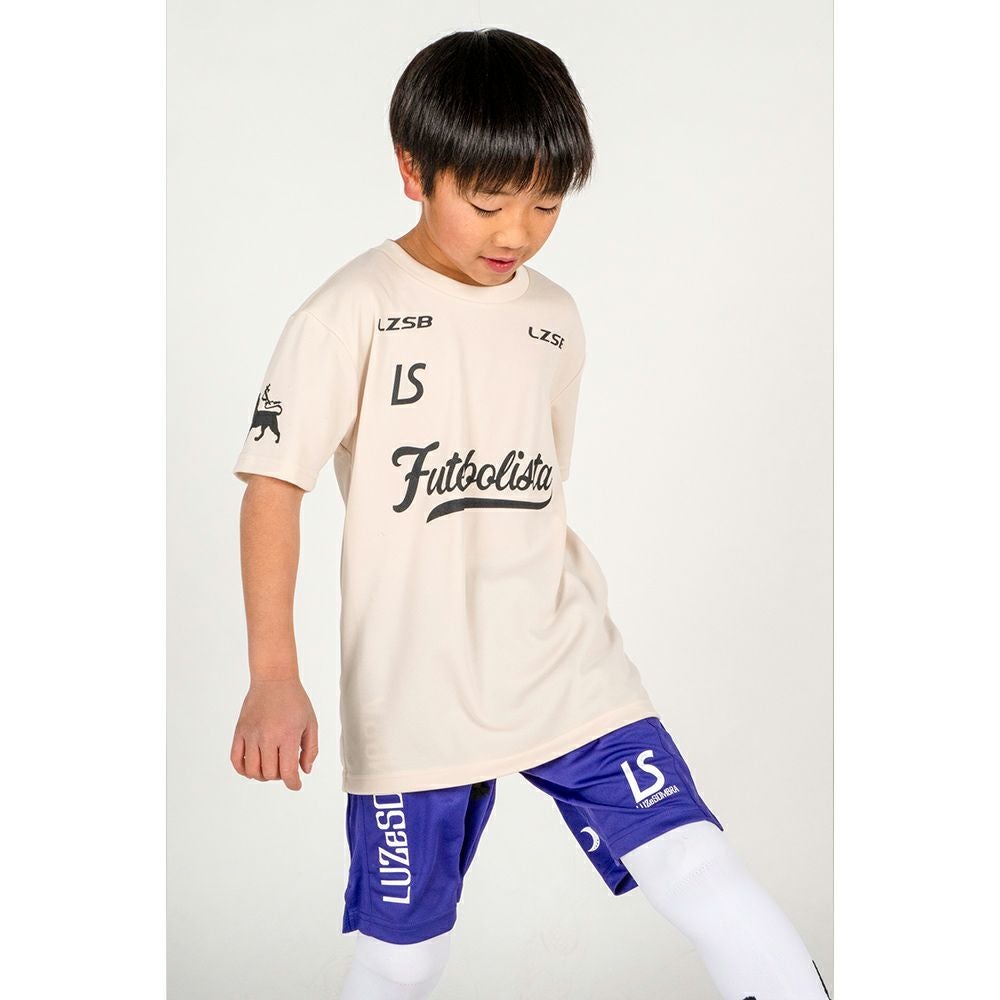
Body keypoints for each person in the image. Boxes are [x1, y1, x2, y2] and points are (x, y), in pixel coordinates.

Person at [229, 27, 831, 1000]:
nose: (516, 230)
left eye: (546, 203)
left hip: (564, 666)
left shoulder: (555, 317)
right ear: (413, 170)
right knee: (404, 957)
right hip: (414, 689)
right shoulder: (348, 311)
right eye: (488, 201)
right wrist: (272, 674)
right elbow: (273, 487)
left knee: (693, 859)